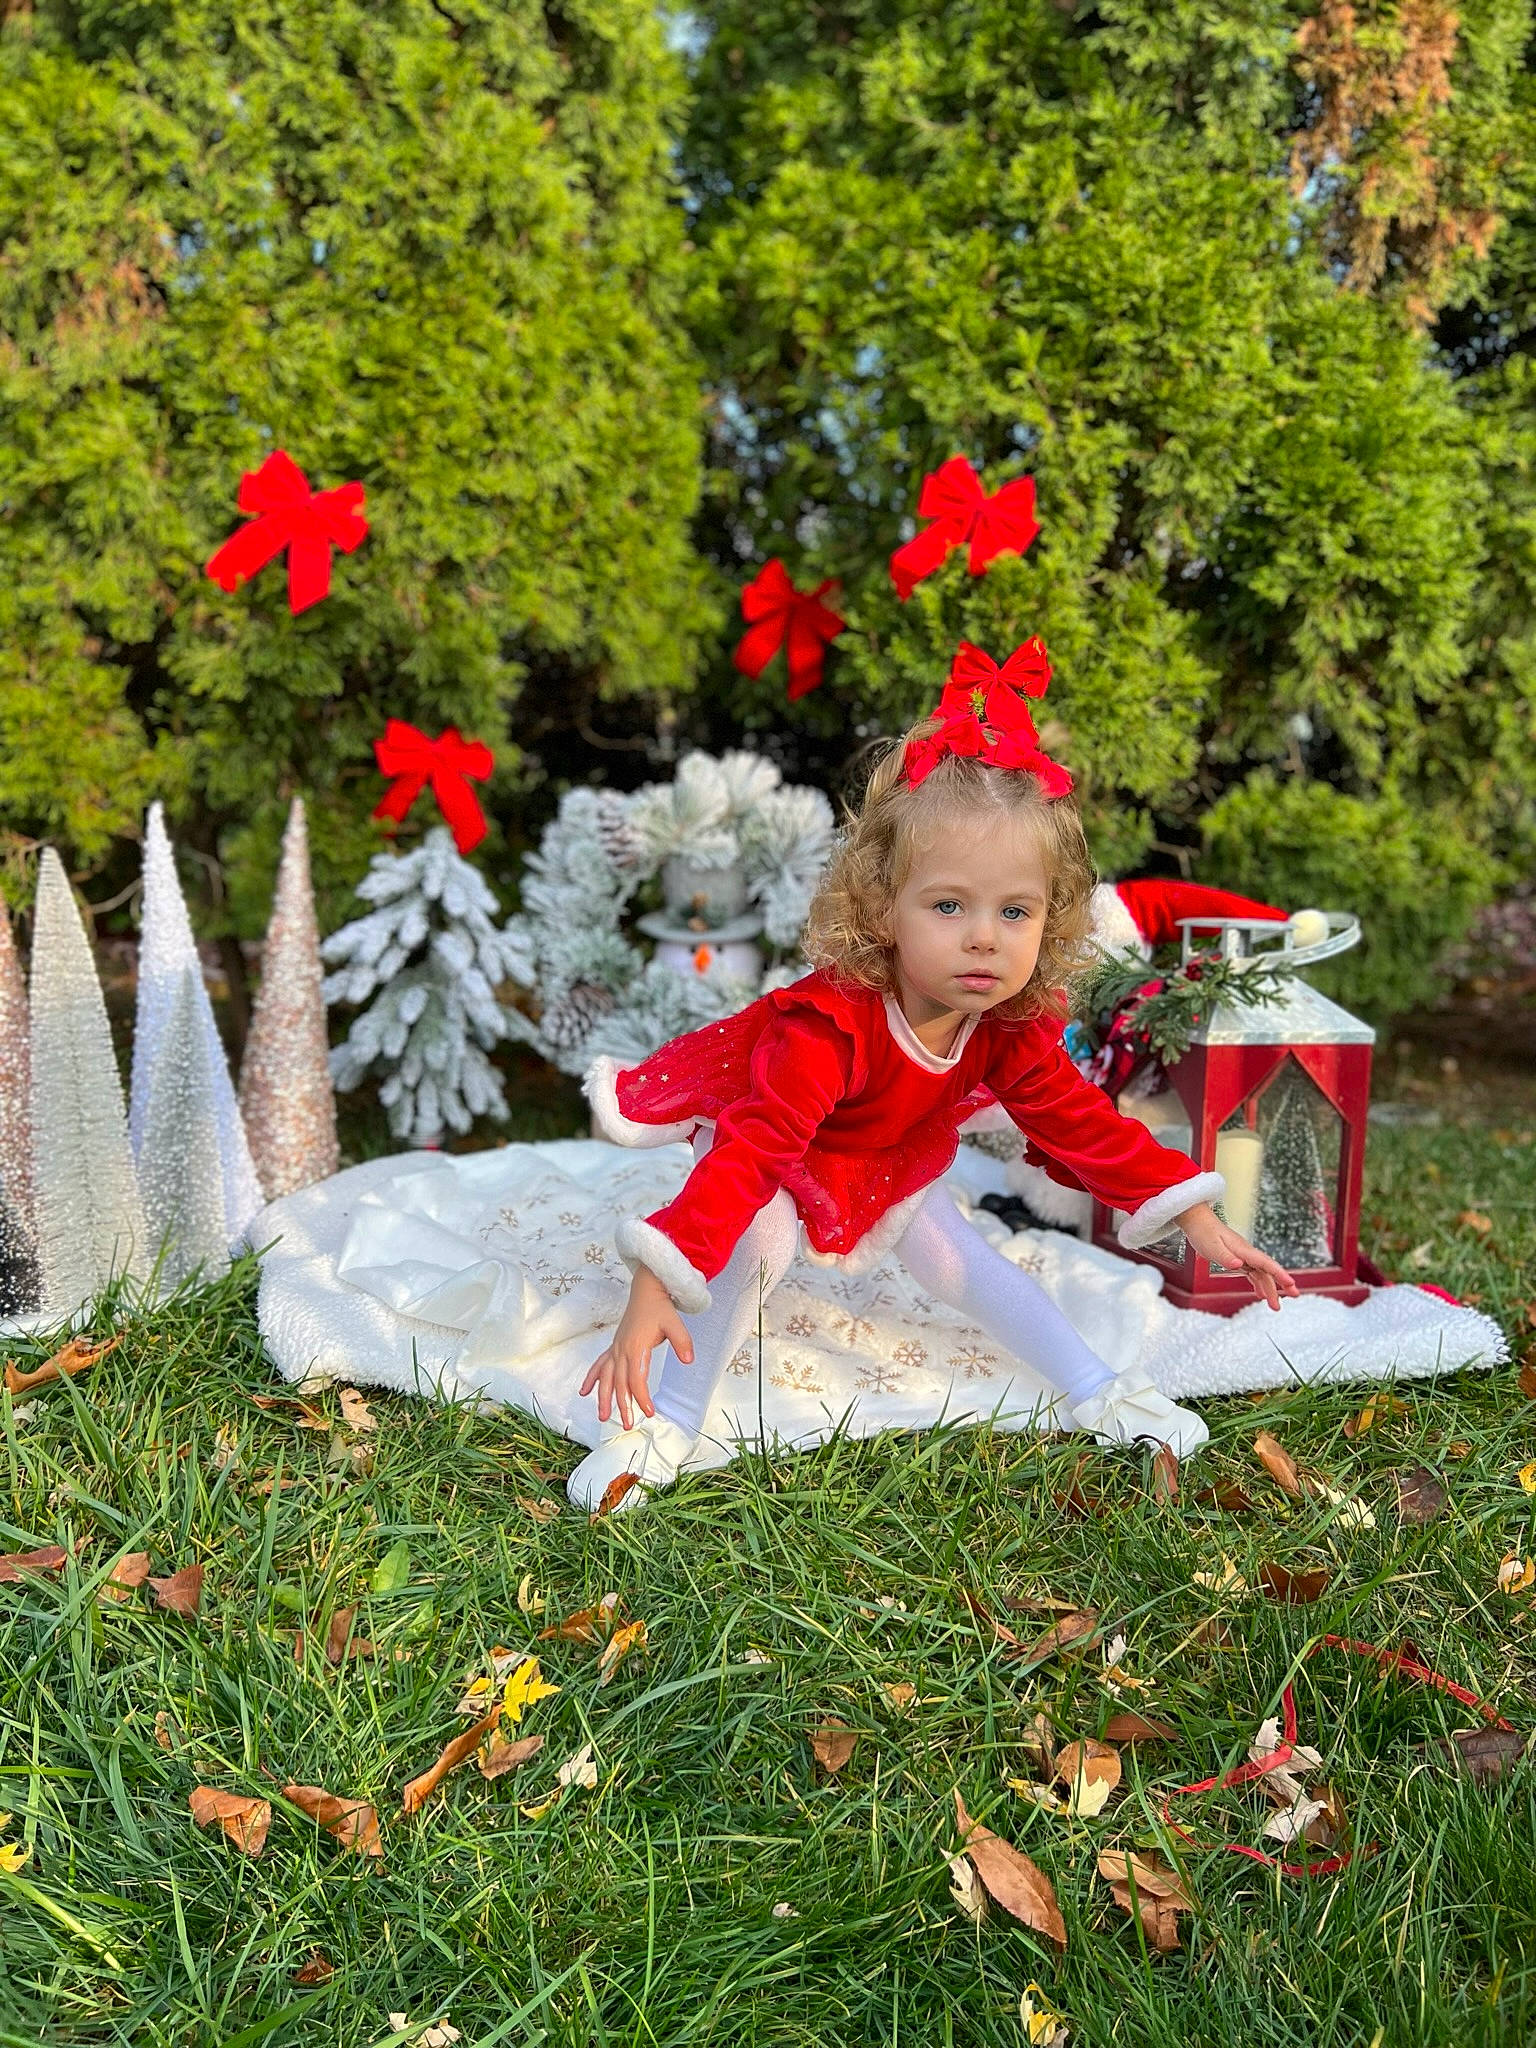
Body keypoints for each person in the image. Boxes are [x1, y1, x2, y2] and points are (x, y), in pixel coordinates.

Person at [573, 638, 1298, 1511]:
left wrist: (1193, 1210)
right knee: (759, 1239)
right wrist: (658, 1276)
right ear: (884, 907)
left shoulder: (1004, 1021)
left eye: (1015, 911)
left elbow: (1077, 1119)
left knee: (962, 1260)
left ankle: (1098, 1387)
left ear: (1052, 920)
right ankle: (672, 1420)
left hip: (884, 1153)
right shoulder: (826, 1028)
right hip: (778, 1146)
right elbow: (749, 1155)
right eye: (949, 906)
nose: (984, 937)